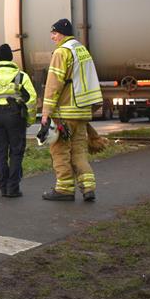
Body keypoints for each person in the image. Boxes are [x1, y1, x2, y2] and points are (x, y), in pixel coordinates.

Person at [39, 18, 102, 202]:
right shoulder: (81, 50)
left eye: (55, 33)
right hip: (81, 112)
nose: (52, 37)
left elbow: (54, 84)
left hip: (65, 114)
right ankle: (88, 187)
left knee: (60, 151)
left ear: (63, 33)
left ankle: (64, 188)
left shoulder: (62, 52)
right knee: (80, 152)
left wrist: (46, 112)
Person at [0, 43, 37, 198]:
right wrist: (29, 119)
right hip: (15, 115)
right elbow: (31, 99)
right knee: (16, 152)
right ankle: (13, 188)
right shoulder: (21, 76)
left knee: (1, 152)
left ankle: (3, 187)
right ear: (11, 58)